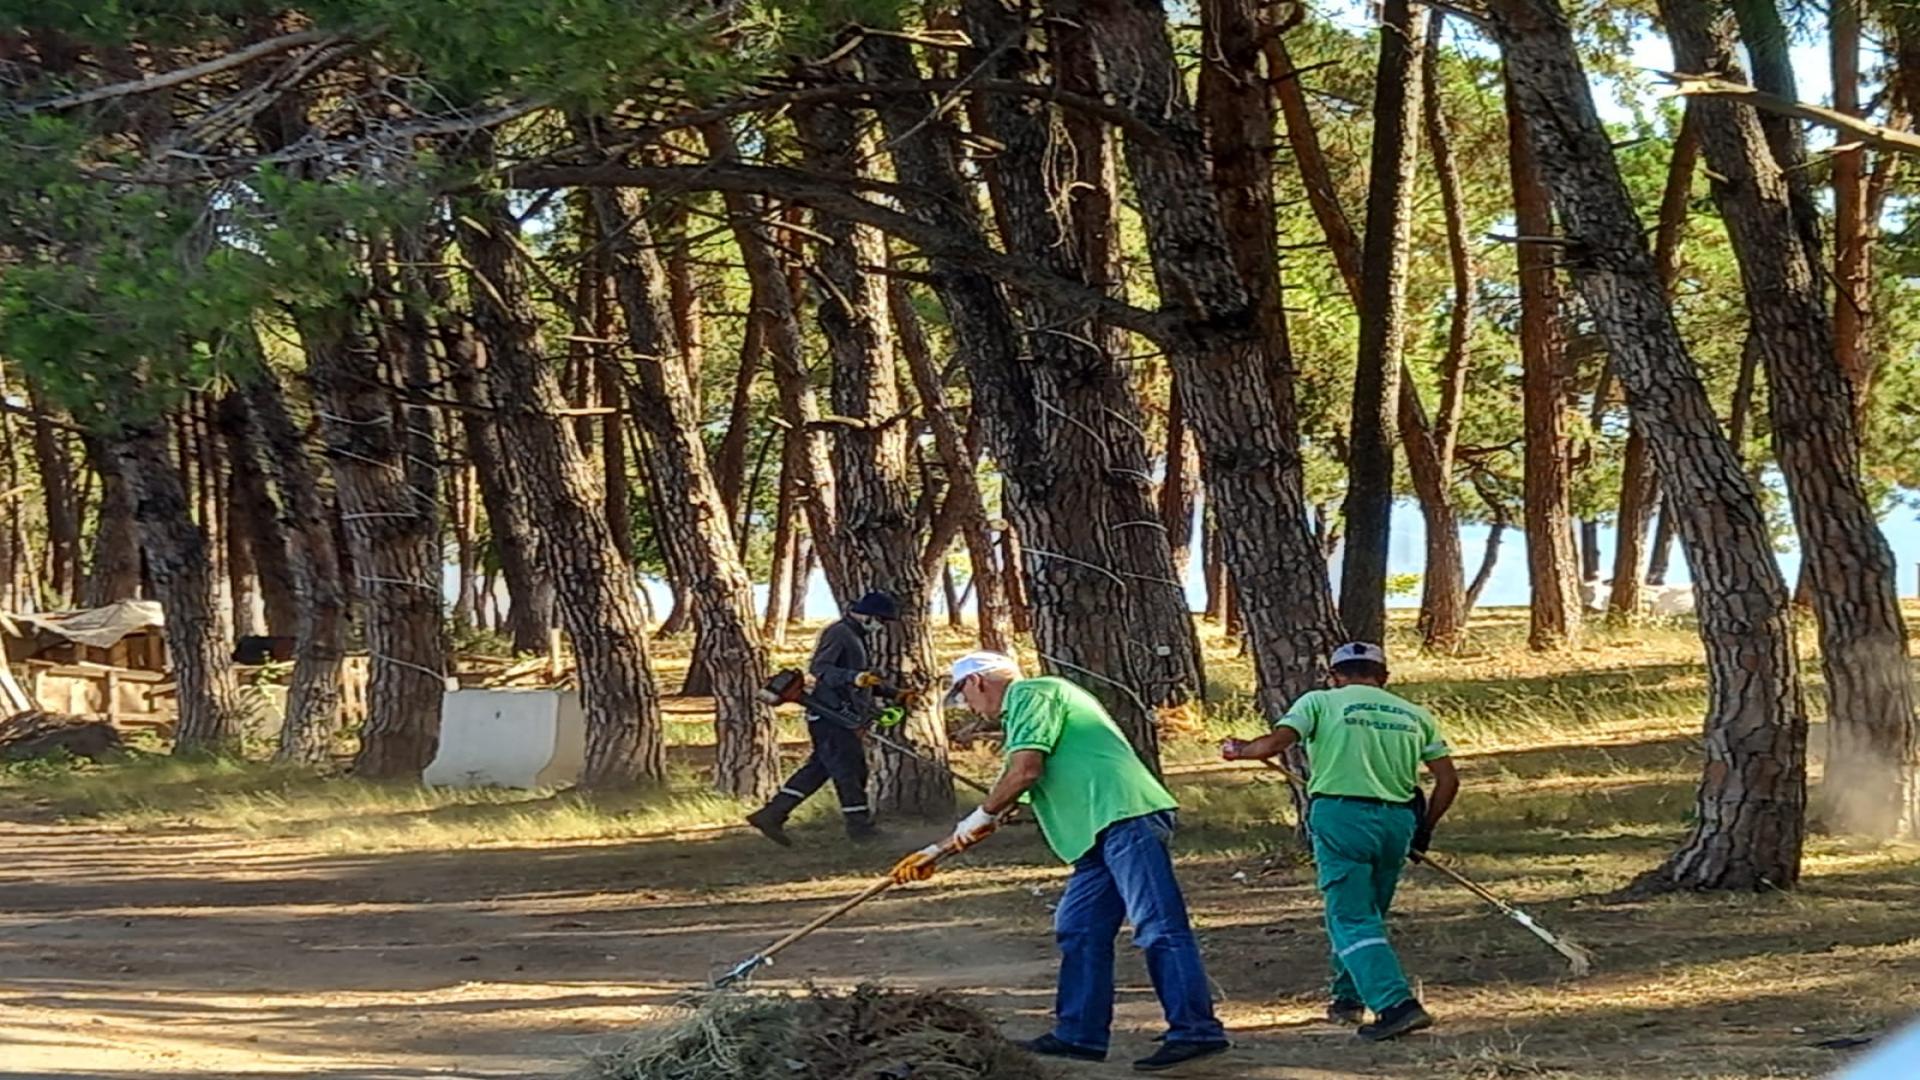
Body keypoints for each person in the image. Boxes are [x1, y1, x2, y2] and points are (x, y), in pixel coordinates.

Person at [892, 651, 1230, 1073]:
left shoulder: (1034, 693)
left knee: (1158, 924)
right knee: (1079, 927)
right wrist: (935, 852)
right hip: (1093, 835)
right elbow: (1002, 804)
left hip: (1125, 816)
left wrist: (978, 816)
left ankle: (1196, 1031)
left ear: (976, 682)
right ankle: (1079, 1034)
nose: (969, 708)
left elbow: (1024, 773)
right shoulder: (1022, 721)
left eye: (963, 697)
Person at [1220, 641, 1459, 1042]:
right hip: (1397, 821)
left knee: (1349, 917)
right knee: (1368, 913)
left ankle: (1396, 1005)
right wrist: (1424, 828)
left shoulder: (1320, 701)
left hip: (1342, 816)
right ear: (1383, 677)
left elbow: (1276, 743)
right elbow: (1448, 780)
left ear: (1334, 676)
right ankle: (1348, 998)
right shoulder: (1414, 714)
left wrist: (1240, 750)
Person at [745, 590, 904, 845]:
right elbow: (820, 669)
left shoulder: (856, 637)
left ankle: (772, 814)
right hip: (831, 716)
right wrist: (854, 677)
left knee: (818, 770)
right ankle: (861, 830)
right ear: (868, 616)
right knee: (850, 771)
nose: (882, 626)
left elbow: (860, 682)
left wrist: (894, 694)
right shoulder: (839, 633)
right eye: (881, 620)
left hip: (842, 715)